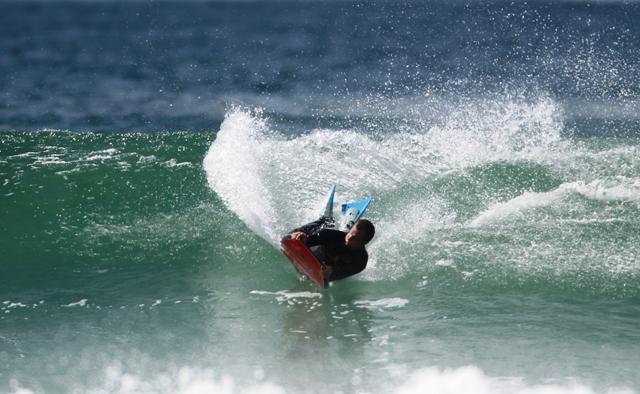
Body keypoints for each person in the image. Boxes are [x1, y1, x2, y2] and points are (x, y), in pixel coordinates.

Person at [282, 217, 375, 282]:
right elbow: (289, 240)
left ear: (364, 243)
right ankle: (327, 218)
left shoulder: (361, 261)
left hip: (333, 263)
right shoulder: (330, 235)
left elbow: (341, 273)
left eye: (355, 238)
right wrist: (298, 237)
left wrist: (332, 271)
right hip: (321, 248)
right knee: (322, 224)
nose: (349, 238)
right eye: (350, 233)